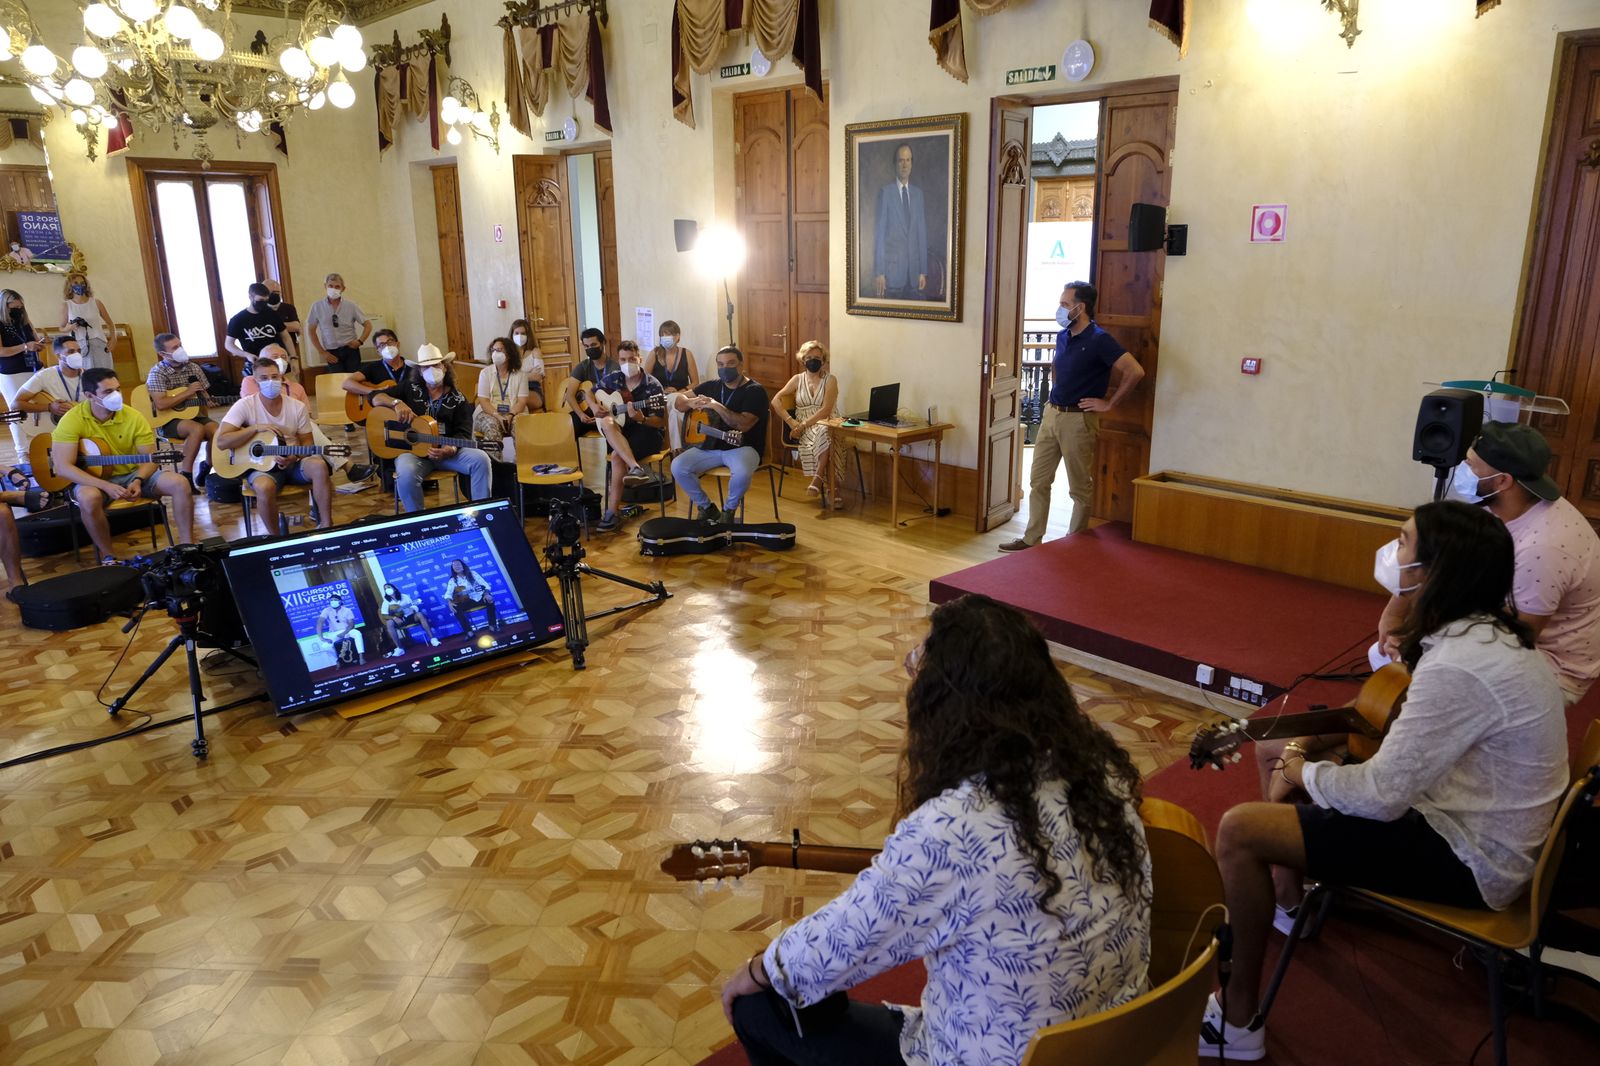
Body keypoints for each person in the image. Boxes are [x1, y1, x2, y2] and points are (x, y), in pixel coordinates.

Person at [1202, 501, 1568, 1061]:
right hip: (1476, 821)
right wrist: (1303, 750)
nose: (1393, 555)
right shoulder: (1486, 636)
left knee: (1239, 830)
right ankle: (1288, 902)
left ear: (1435, 570)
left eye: (1402, 542)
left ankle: (1237, 1021)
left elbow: (1379, 797)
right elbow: (1394, 724)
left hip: (1472, 858)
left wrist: (1302, 770)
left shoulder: (1460, 665)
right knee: (1285, 750)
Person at [722, 594, 1151, 1066]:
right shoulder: (1103, 775)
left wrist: (757, 971)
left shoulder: (951, 830)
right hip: (1119, 1042)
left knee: (759, 1007)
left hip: (1000, 1057)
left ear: (942, 709)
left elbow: (838, 944)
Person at [1374, 421, 1600, 705]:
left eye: (1471, 465)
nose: (1463, 470)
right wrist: (1394, 617)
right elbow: (1434, 557)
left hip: (1549, 666)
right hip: (1497, 627)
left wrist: (1420, 646)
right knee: (1396, 664)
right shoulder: (1501, 502)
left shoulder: (1543, 549)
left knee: (1418, 685)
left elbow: (1517, 640)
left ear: (1502, 481)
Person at [1000, 281, 1145, 551]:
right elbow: (1057, 366)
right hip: (1052, 413)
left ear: (1081, 308)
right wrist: (1054, 396)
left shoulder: (1099, 339)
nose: (1060, 309)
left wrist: (1109, 403)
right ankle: (1032, 539)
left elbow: (1135, 371)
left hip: (1079, 420)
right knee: (1039, 480)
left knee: (1079, 487)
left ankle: (1075, 543)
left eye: (1065, 304)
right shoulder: (1063, 335)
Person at [50, 368, 195, 565]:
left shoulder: (133, 416)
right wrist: (105, 485)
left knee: (180, 483)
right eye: (108, 391)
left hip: (132, 474)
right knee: (88, 497)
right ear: (90, 396)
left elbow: (150, 458)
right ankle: (108, 556)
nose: (116, 395)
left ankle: (188, 547)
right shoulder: (72, 419)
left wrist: (138, 480)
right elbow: (63, 467)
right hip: (93, 480)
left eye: (118, 389)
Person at [215, 359, 334, 532]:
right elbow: (221, 441)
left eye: (274, 377)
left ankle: (327, 526)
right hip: (260, 467)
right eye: (264, 378)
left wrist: (294, 456)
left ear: (281, 378)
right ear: (255, 381)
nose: (270, 382)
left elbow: (308, 443)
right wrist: (254, 428)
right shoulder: (245, 405)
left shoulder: (297, 406)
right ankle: (275, 537)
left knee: (319, 466)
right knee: (264, 487)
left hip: (292, 463)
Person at [388, 344, 492, 513]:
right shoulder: (409, 388)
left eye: (436, 365)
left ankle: (483, 514)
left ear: (444, 367)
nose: (432, 370)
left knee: (481, 459)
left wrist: (451, 448)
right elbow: (374, 396)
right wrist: (396, 403)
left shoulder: (458, 399)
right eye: (426, 367)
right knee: (405, 473)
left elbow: (464, 432)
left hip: (448, 454)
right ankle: (418, 520)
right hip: (414, 453)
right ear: (420, 371)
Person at [672, 346, 767, 525]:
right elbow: (678, 401)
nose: (725, 368)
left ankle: (728, 511)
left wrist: (716, 405)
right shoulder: (711, 386)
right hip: (709, 447)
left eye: (731, 363)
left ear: (741, 366)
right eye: (721, 364)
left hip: (743, 448)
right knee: (678, 466)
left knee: (741, 473)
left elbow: (742, 424)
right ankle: (706, 508)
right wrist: (689, 402)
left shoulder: (755, 391)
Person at [593, 341, 667, 533]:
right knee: (607, 421)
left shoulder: (652, 385)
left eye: (632, 359)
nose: (628, 363)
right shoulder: (613, 379)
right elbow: (589, 393)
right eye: (623, 359)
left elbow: (660, 422)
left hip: (648, 433)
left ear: (639, 359)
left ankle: (611, 513)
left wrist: (642, 419)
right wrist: (593, 406)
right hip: (622, 433)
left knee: (617, 456)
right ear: (618, 361)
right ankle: (635, 467)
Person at [771, 340, 842, 508]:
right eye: (809, 357)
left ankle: (818, 479)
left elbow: (826, 410)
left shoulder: (831, 380)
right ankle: (833, 489)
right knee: (828, 438)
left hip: (826, 420)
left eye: (817, 357)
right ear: (803, 360)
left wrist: (802, 426)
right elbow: (775, 400)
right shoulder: (797, 379)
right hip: (803, 425)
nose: (812, 360)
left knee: (826, 431)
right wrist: (791, 421)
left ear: (823, 360)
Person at [145, 332, 219, 489]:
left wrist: (208, 399)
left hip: (194, 415)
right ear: (163, 354)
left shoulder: (193, 367)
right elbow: (161, 404)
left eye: (180, 345)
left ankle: (207, 465)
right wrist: (187, 392)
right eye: (174, 348)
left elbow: (202, 391)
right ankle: (186, 475)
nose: (180, 349)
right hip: (167, 420)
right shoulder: (157, 372)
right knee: (196, 429)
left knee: (217, 430)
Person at [872, 144, 929, 300]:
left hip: (914, 275)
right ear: (895, 164)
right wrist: (880, 272)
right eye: (901, 160)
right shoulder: (885, 193)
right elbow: (879, 235)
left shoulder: (918, 195)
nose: (904, 165)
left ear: (912, 163)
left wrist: (923, 271)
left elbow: (922, 234)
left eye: (908, 160)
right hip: (891, 275)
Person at [15, 334, 87, 455]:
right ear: (59, 356)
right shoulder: (44, 376)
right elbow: (16, 404)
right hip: (57, 434)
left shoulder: (90, 377)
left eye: (79, 351)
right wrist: (49, 407)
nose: (77, 355)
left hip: (84, 430)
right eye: (71, 352)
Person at [0, 288, 45, 452]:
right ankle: (22, 451)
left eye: (20, 307)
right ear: (4, 306)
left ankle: (44, 445)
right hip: (12, 372)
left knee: (43, 407)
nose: (18, 310)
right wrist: (25, 346)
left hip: (33, 368)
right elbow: (1, 351)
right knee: (16, 412)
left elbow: (34, 340)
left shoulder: (24, 321)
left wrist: (38, 345)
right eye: (14, 307)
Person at [646, 319, 699, 452]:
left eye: (668, 334)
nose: (665, 337)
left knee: (675, 410)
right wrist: (662, 390)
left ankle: (675, 450)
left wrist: (679, 392)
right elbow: (645, 380)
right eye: (662, 334)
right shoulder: (654, 353)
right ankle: (679, 450)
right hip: (659, 398)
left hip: (681, 396)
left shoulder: (687, 354)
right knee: (676, 411)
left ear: (677, 336)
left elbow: (695, 383)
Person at [473, 336, 533, 449]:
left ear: (509, 354)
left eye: (499, 350)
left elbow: (522, 401)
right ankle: (494, 460)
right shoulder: (485, 373)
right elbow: (483, 401)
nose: (495, 353)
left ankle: (523, 459)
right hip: (489, 412)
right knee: (492, 426)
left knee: (519, 426)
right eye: (493, 350)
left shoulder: (521, 375)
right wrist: (497, 415)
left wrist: (510, 415)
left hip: (515, 412)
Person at [304, 273, 371, 373]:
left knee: (354, 378)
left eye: (337, 287)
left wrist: (360, 341)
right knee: (337, 379)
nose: (333, 289)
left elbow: (368, 325)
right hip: (331, 351)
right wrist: (322, 352)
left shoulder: (351, 305)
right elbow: (311, 331)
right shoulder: (317, 306)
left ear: (343, 289)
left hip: (350, 350)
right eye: (330, 286)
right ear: (325, 286)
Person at [563, 327, 621, 439]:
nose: (590, 348)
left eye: (593, 345)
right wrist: (581, 415)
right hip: (586, 413)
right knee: (570, 426)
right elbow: (569, 395)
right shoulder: (582, 367)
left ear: (603, 343)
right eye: (586, 346)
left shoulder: (614, 368)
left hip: (607, 412)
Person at [224, 281, 286, 378]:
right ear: (250, 297)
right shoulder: (238, 319)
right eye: (260, 300)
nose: (263, 303)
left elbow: (286, 337)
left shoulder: (272, 314)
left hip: (278, 364)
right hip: (255, 366)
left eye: (266, 300)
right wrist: (246, 354)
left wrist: (293, 357)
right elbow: (228, 344)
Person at [60, 271, 115, 371]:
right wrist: (69, 327)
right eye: (75, 283)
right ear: (70, 286)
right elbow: (61, 328)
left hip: (99, 343)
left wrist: (113, 339)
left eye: (82, 283)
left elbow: (110, 323)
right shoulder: (67, 305)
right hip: (79, 345)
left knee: (104, 373)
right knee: (85, 375)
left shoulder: (96, 302)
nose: (79, 285)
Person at [379, 582, 440, 656]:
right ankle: (400, 648)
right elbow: (384, 615)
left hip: (409, 617)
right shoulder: (386, 602)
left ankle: (433, 639)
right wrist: (394, 618)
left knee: (420, 614)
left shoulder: (404, 596)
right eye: (385, 589)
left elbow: (413, 605)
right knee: (389, 623)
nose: (387, 589)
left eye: (388, 587)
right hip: (399, 621)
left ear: (394, 589)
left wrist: (413, 609)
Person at [443, 559, 499, 634]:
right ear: (453, 569)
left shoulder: (473, 573)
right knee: (455, 608)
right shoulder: (453, 580)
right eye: (454, 566)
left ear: (463, 565)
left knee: (489, 599)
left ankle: (492, 626)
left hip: (479, 598)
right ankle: (469, 632)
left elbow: (485, 585)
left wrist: (486, 594)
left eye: (458, 564)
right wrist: (449, 602)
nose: (457, 566)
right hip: (467, 602)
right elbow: (448, 594)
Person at [260, 278, 302, 363]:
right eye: (272, 292)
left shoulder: (288, 308)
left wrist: (273, 325)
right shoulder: (259, 309)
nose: (275, 295)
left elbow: (296, 326)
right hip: (266, 355)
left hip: (286, 353)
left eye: (278, 292)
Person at [316, 593, 364, 666]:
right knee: (325, 646)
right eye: (331, 600)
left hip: (347, 631)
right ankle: (338, 660)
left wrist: (344, 633)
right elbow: (320, 622)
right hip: (334, 633)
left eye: (335, 600)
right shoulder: (326, 610)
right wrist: (322, 638)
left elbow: (351, 624)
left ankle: (361, 657)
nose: (333, 602)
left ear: (340, 601)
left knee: (357, 633)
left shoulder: (347, 610)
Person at [509, 318, 546, 404]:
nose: (519, 336)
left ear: (528, 335)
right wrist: (529, 375)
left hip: (532, 390)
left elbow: (538, 377)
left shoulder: (535, 352)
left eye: (523, 333)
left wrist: (515, 376)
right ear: (512, 335)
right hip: (511, 390)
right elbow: (505, 377)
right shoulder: (507, 353)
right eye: (516, 333)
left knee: (515, 399)